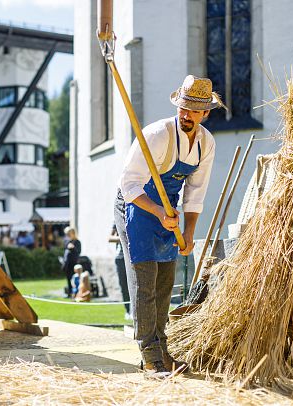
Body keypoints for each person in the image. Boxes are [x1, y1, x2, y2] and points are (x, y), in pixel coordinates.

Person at [114, 75, 221, 376]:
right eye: (183, 108)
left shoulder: (205, 144)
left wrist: (188, 233)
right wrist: (158, 211)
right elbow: (128, 183)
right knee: (145, 280)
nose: (186, 115)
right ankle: (149, 356)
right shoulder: (158, 135)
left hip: (168, 210)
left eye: (194, 110)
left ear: (205, 113)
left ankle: (162, 351)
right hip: (137, 205)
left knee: (165, 281)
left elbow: (196, 193)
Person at [109, 224, 130, 320]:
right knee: (124, 285)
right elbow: (110, 238)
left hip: (134, 256)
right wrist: (124, 236)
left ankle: (135, 310)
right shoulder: (116, 221)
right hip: (120, 257)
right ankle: (128, 310)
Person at [61, 226, 81, 298]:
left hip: (74, 264)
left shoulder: (77, 242)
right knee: (68, 279)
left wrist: (73, 248)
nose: (68, 235)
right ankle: (69, 293)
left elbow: (78, 252)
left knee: (74, 279)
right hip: (67, 264)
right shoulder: (68, 242)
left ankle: (76, 293)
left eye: (69, 234)